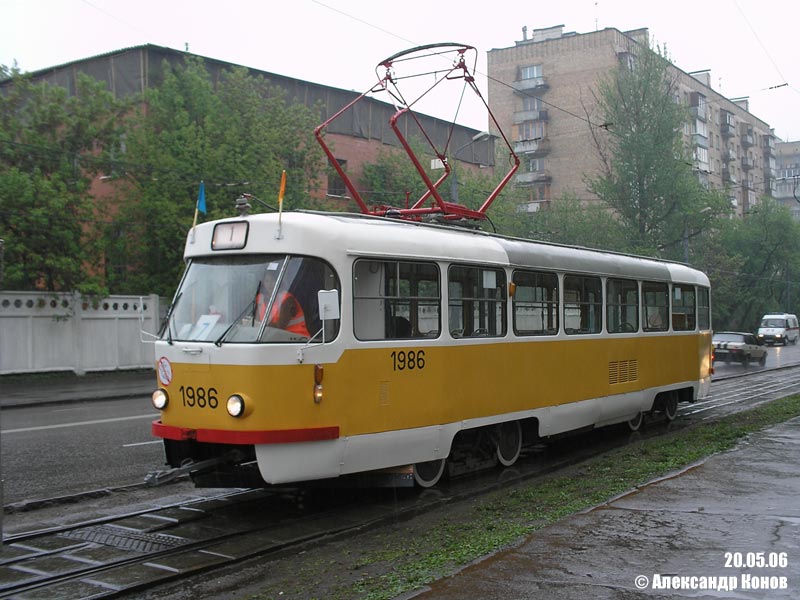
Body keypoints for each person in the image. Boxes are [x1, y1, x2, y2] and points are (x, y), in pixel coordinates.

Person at [256, 271, 310, 337]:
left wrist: (259, 325)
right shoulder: (260, 299)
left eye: (273, 281)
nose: (270, 284)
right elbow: (255, 322)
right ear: (263, 283)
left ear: (278, 282)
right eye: (267, 281)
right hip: (273, 337)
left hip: (296, 338)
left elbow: (280, 327)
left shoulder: (287, 299)